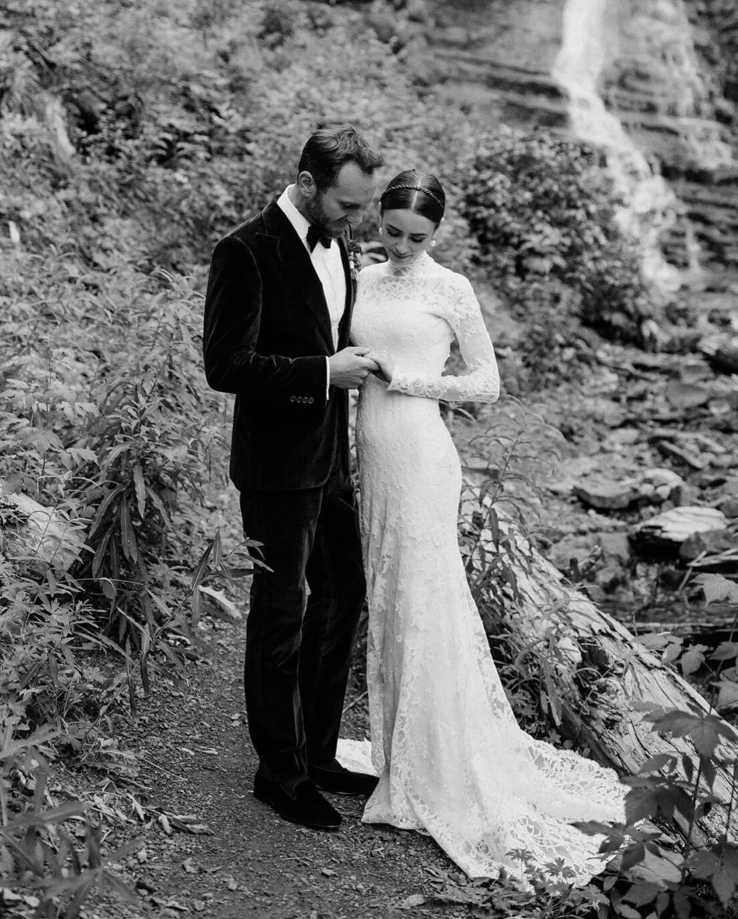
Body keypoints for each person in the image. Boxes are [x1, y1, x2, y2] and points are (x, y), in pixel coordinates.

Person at [349, 169, 626, 886]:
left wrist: (410, 380)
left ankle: (439, 766)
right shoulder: (363, 278)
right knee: (390, 596)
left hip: (420, 452)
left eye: (417, 237)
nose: (402, 246)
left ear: (437, 233)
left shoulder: (452, 288)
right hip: (373, 455)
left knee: (425, 598)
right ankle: (400, 754)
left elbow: (486, 382)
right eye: (392, 231)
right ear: (377, 219)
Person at [202, 127, 383, 832]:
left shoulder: (338, 242)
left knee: (344, 592)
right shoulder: (244, 250)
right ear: (307, 183)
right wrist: (321, 372)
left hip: (330, 457)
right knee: (281, 613)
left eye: (363, 206)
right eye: (347, 204)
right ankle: (278, 773)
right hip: (277, 466)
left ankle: (317, 751)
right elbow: (226, 366)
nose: (356, 219)